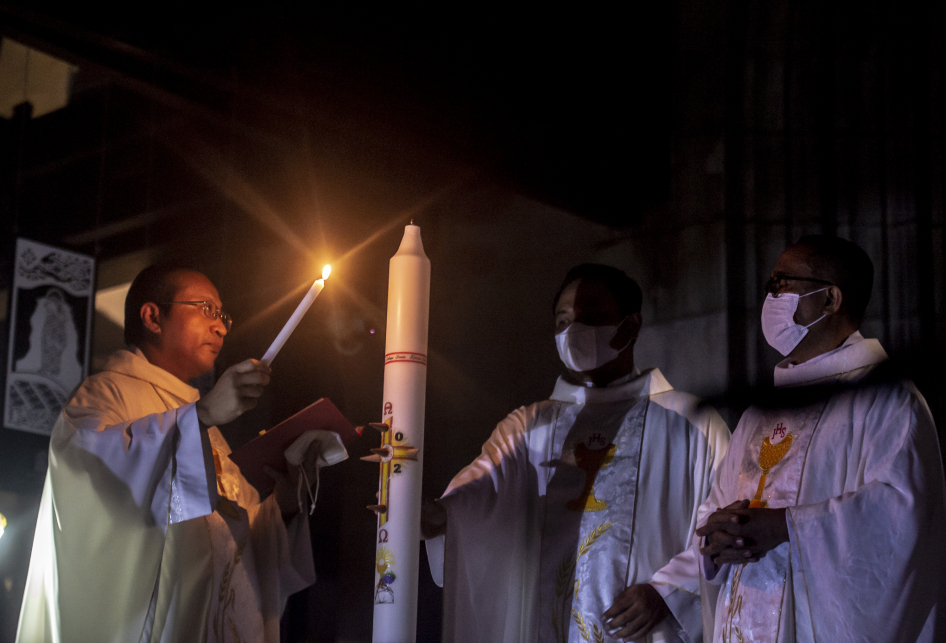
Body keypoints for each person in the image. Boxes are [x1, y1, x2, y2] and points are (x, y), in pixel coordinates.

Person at [17, 265, 332, 643]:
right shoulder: (107, 395)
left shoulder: (203, 429)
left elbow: (235, 551)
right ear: (152, 317)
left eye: (223, 315)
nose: (221, 327)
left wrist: (284, 504)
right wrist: (200, 416)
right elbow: (97, 479)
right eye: (206, 309)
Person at [423, 264, 731, 643]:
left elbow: (724, 525)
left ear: (630, 327)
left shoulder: (691, 422)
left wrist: (666, 593)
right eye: (563, 321)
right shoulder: (530, 426)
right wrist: (440, 516)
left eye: (592, 318)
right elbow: (482, 492)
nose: (574, 332)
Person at [696, 235, 946, 642]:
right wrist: (717, 533)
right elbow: (716, 502)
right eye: (769, 286)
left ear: (831, 299)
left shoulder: (886, 397)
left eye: (781, 284)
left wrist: (788, 527)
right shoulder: (761, 410)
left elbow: (902, 517)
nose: (770, 298)